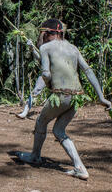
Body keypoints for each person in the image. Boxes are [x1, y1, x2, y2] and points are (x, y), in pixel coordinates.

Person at [17, 19, 112, 180]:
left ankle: (35, 156)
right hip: (77, 97)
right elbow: (88, 72)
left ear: (46, 33)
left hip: (61, 95)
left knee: (41, 122)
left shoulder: (46, 47)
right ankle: (80, 167)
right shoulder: (73, 48)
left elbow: (46, 73)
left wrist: (42, 86)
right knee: (59, 130)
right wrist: (101, 97)